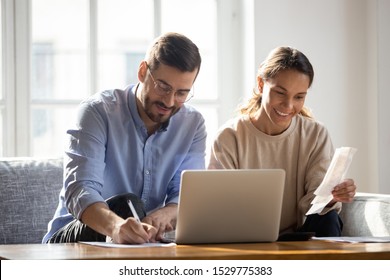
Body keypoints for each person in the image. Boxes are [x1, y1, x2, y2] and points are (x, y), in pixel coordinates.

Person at [42, 32, 206, 244]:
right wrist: (117, 227)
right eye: (163, 87)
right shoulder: (97, 111)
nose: (169, 100)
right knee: (126, 204)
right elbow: (81, 190)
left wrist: (164, 215)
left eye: (182, 93)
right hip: (72, 238)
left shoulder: (192, 125)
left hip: (141, 241)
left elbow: (185, 195)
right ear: (142, 71)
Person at [208, 46, 356, 237]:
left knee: (329, 218)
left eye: (299, 97)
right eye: (280, 93)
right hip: (244, 235)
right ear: (261, 84)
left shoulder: (315, 134)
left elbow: (315, 201)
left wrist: (331, 196)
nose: (288, 105)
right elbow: (220, 207)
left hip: (300, 235)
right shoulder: (229, 138)